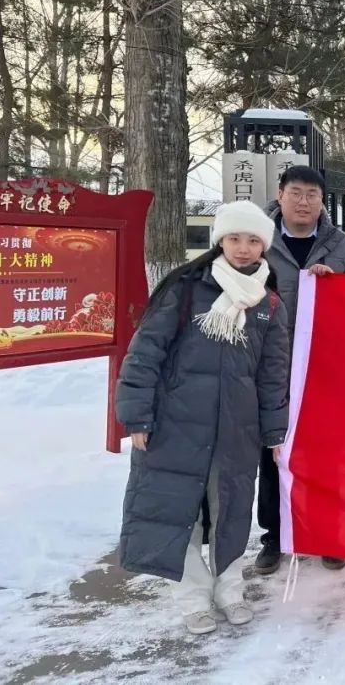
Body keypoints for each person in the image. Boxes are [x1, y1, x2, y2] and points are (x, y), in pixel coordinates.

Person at [117, 201, 290, 636]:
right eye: (235, 238)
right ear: (220, 240)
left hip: (237, 429)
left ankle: (230, 591)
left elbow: (273, 374)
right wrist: (137, 416)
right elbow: (145, 353)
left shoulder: (269, 302)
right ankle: (193, 598)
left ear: (264, 246)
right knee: (182, 512)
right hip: (176, 424)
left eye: (253, 240)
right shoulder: (185, 289)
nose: (244, 248)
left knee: (231, 510)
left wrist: (274, 430)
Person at [256, 165, 345, 575]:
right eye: (296, 193)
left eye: (312, 195)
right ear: (280, 195)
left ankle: (328, 534)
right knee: (273, 450)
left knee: (327, 454)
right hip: (272, 365)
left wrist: (335, 286)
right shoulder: (260, 241)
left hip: (326, 367)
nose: (303, 202)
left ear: (322, 201)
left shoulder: (341, 245)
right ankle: (274, 537)